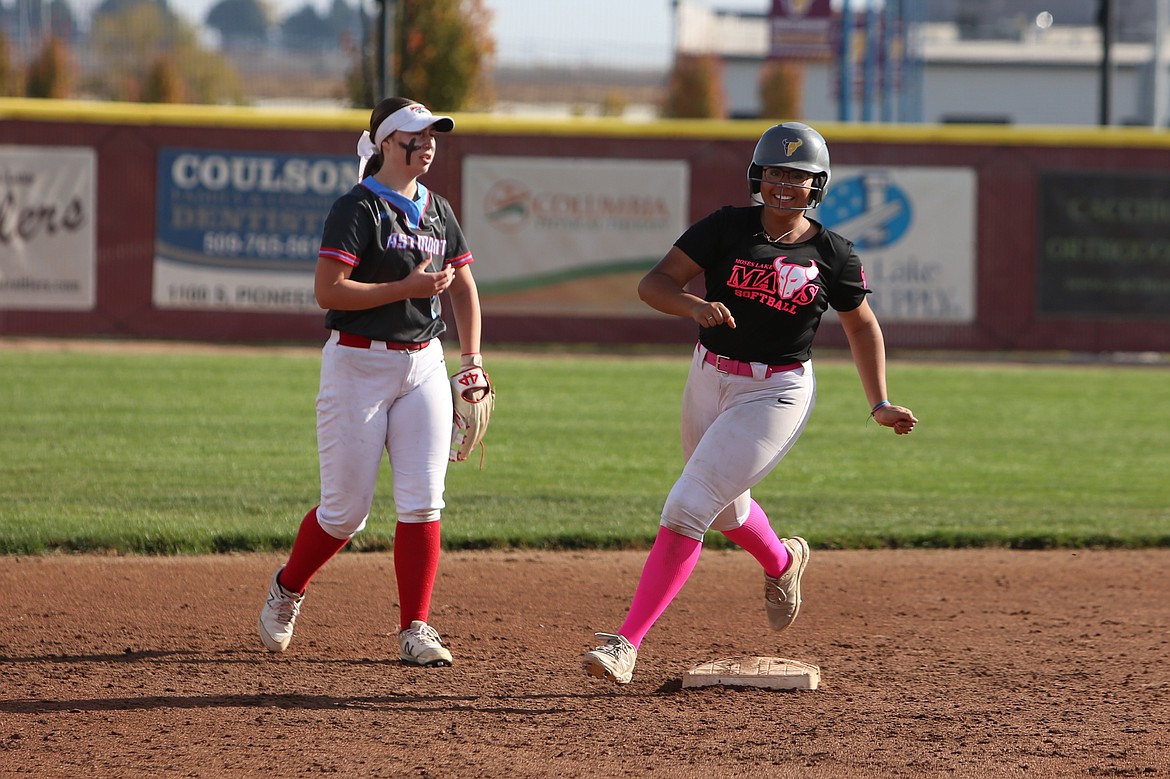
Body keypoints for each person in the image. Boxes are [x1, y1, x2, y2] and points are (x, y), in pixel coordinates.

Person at [582, 122, 918, 684]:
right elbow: (654, 283)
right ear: (758, 177)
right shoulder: (727, 226)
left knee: (689, 503)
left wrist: (879, 401)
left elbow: (862, 328)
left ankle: (626, 643)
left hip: (776, 389)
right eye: (777, 173)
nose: (786, 184)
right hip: (708, 375)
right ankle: (784, 561)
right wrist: (692, 306)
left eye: (800, 176)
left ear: (819, 186)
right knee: (725, 508)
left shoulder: (834, 253)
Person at [257, 97, 484, 667]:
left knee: (423, 502)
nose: (427, 143)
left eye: (433, 134)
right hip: (357, 365)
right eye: (415, 134)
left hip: (424, 363)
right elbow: (329, 291)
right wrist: (402, 289)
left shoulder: (438, 209)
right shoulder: (356, 208)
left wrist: (472, 360)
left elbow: (461, 286)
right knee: (345, 512)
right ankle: (288, 588)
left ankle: (416, 627)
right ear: (385, 142)